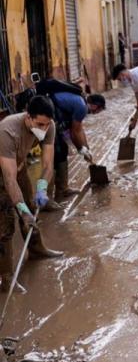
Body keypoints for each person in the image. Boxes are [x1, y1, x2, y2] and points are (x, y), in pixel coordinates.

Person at [0, 96, 64, 293]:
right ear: (28, 117)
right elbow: (8, 180)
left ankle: (36, 250)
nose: (43, 129)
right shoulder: (7, 131)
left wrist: (43, 186)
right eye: (39, 125)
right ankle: (6, 276)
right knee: (6, 222)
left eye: (46, 125)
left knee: (31, 206)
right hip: (3, 172)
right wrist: (21, 209)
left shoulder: (49, 125)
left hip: (17, 167)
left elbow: (47, 164)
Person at [44, 88, 106, 209]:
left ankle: (63, 189)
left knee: (62, 151)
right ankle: (47, 200)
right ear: (95, 106)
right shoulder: (82, 107)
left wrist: (86, 148)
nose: (97, 113)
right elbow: (74, 131)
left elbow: (79, 129)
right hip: (48, 121)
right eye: (99, 110)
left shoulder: (81, 103)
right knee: (55, 157)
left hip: (54, 120)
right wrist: (80, 149)